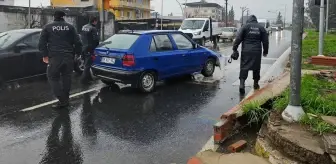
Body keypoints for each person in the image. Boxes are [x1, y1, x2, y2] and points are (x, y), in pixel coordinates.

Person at [38, 10, 82, 109]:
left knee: (52, 77)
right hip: (68, 57)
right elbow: (78, 42)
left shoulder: (47, 27)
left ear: (54, 17)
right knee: (67, 77)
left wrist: (45, 55)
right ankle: (65, 100)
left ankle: (62, 100)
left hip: (55, 57)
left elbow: (41, 44)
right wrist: (78, 54)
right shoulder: (70, 27)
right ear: (63, 17)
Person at [232, 15, 269, 94]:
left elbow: (238, 38)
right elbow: (265, 41)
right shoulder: (261, 28)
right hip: (257, 52)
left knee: (244, 67)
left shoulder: (245, 27)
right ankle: (255, 84)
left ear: (249, 20)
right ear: (256, 20)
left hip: (246, 51)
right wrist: (265, 51)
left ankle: (242, 85)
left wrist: (234, 48)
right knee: (256, 68)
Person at [80, 16, 100, 84]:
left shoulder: (84, 26)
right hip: (90, 48)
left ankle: (89, 78)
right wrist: (97, 47)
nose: (96, 23)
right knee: (88, 65)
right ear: (94, 21)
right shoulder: (93, 28)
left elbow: (81, 36)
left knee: (86, 63)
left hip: (84, 47)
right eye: (96, 21)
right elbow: (96, 39)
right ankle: (83, 80)